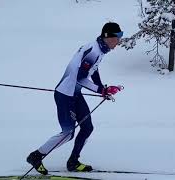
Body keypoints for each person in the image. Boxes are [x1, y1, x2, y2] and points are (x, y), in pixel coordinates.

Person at [26, 22, 123, 175]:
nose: (119, 41)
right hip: (65, 94)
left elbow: (93, 70)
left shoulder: (100, 50)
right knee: (68, 133)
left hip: (75, 94)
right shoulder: (93, 50)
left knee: (87, 127)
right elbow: (79, 79)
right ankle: (36, 156)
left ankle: (73, 162)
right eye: (118, 37)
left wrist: (101, 88)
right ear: (108, 37)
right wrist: (101, 90)